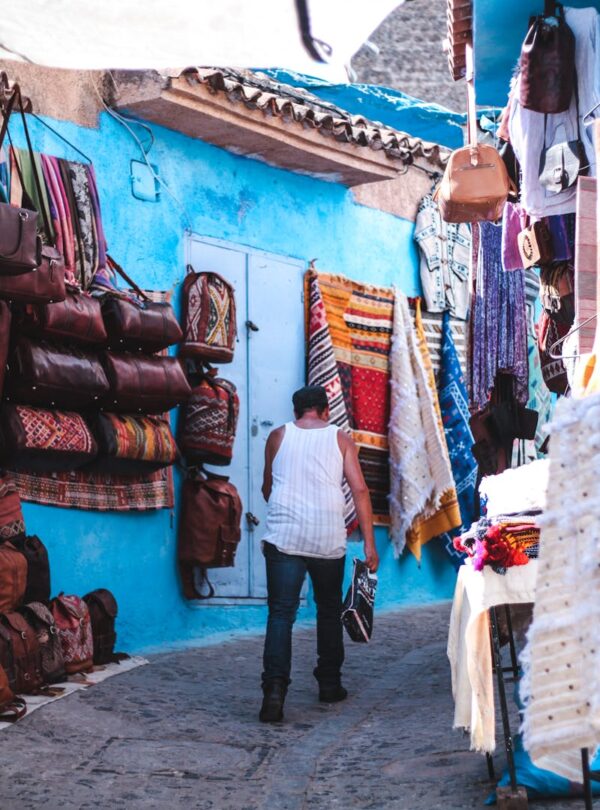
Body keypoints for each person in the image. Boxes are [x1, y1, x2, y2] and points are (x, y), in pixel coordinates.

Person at [259, 384, 378, 723]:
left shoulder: (279, 436)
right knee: (327, 610)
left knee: (281, 614)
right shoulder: (340, 439)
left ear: (296, 412)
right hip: (327, 537)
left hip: (284, 536)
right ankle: (329, 683)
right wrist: (369, 543)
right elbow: (359, 490)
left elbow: (268, 488)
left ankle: (274, 692)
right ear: (326, 411)